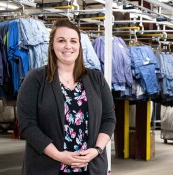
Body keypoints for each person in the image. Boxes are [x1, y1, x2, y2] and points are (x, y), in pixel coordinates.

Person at [17, 19, 116, 175]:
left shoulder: (96, 78)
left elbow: (109, 118)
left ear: (79, 46)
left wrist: (97, 150)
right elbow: (27, 125)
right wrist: (59, 156)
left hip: (91, 167)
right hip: (47, 167)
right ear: (52, 45)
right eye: (61, 40)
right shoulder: (35, 79)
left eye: (73, 41)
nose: (68, 46)